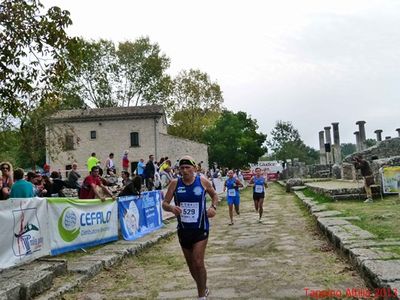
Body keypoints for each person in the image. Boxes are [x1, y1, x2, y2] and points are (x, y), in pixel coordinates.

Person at [162, 156, 218, 300]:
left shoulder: (203, 181)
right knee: (192, 266)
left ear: (194, 168)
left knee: (198, 262)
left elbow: (214, 195)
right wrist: (171, 208)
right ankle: (203, 287)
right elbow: (165, 203)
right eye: (182, 168)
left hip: (200, 229)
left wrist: (213, 207)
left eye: (188, 167)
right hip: (183, 230)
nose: (185, 170)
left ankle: (201, 296)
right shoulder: (175, 183)